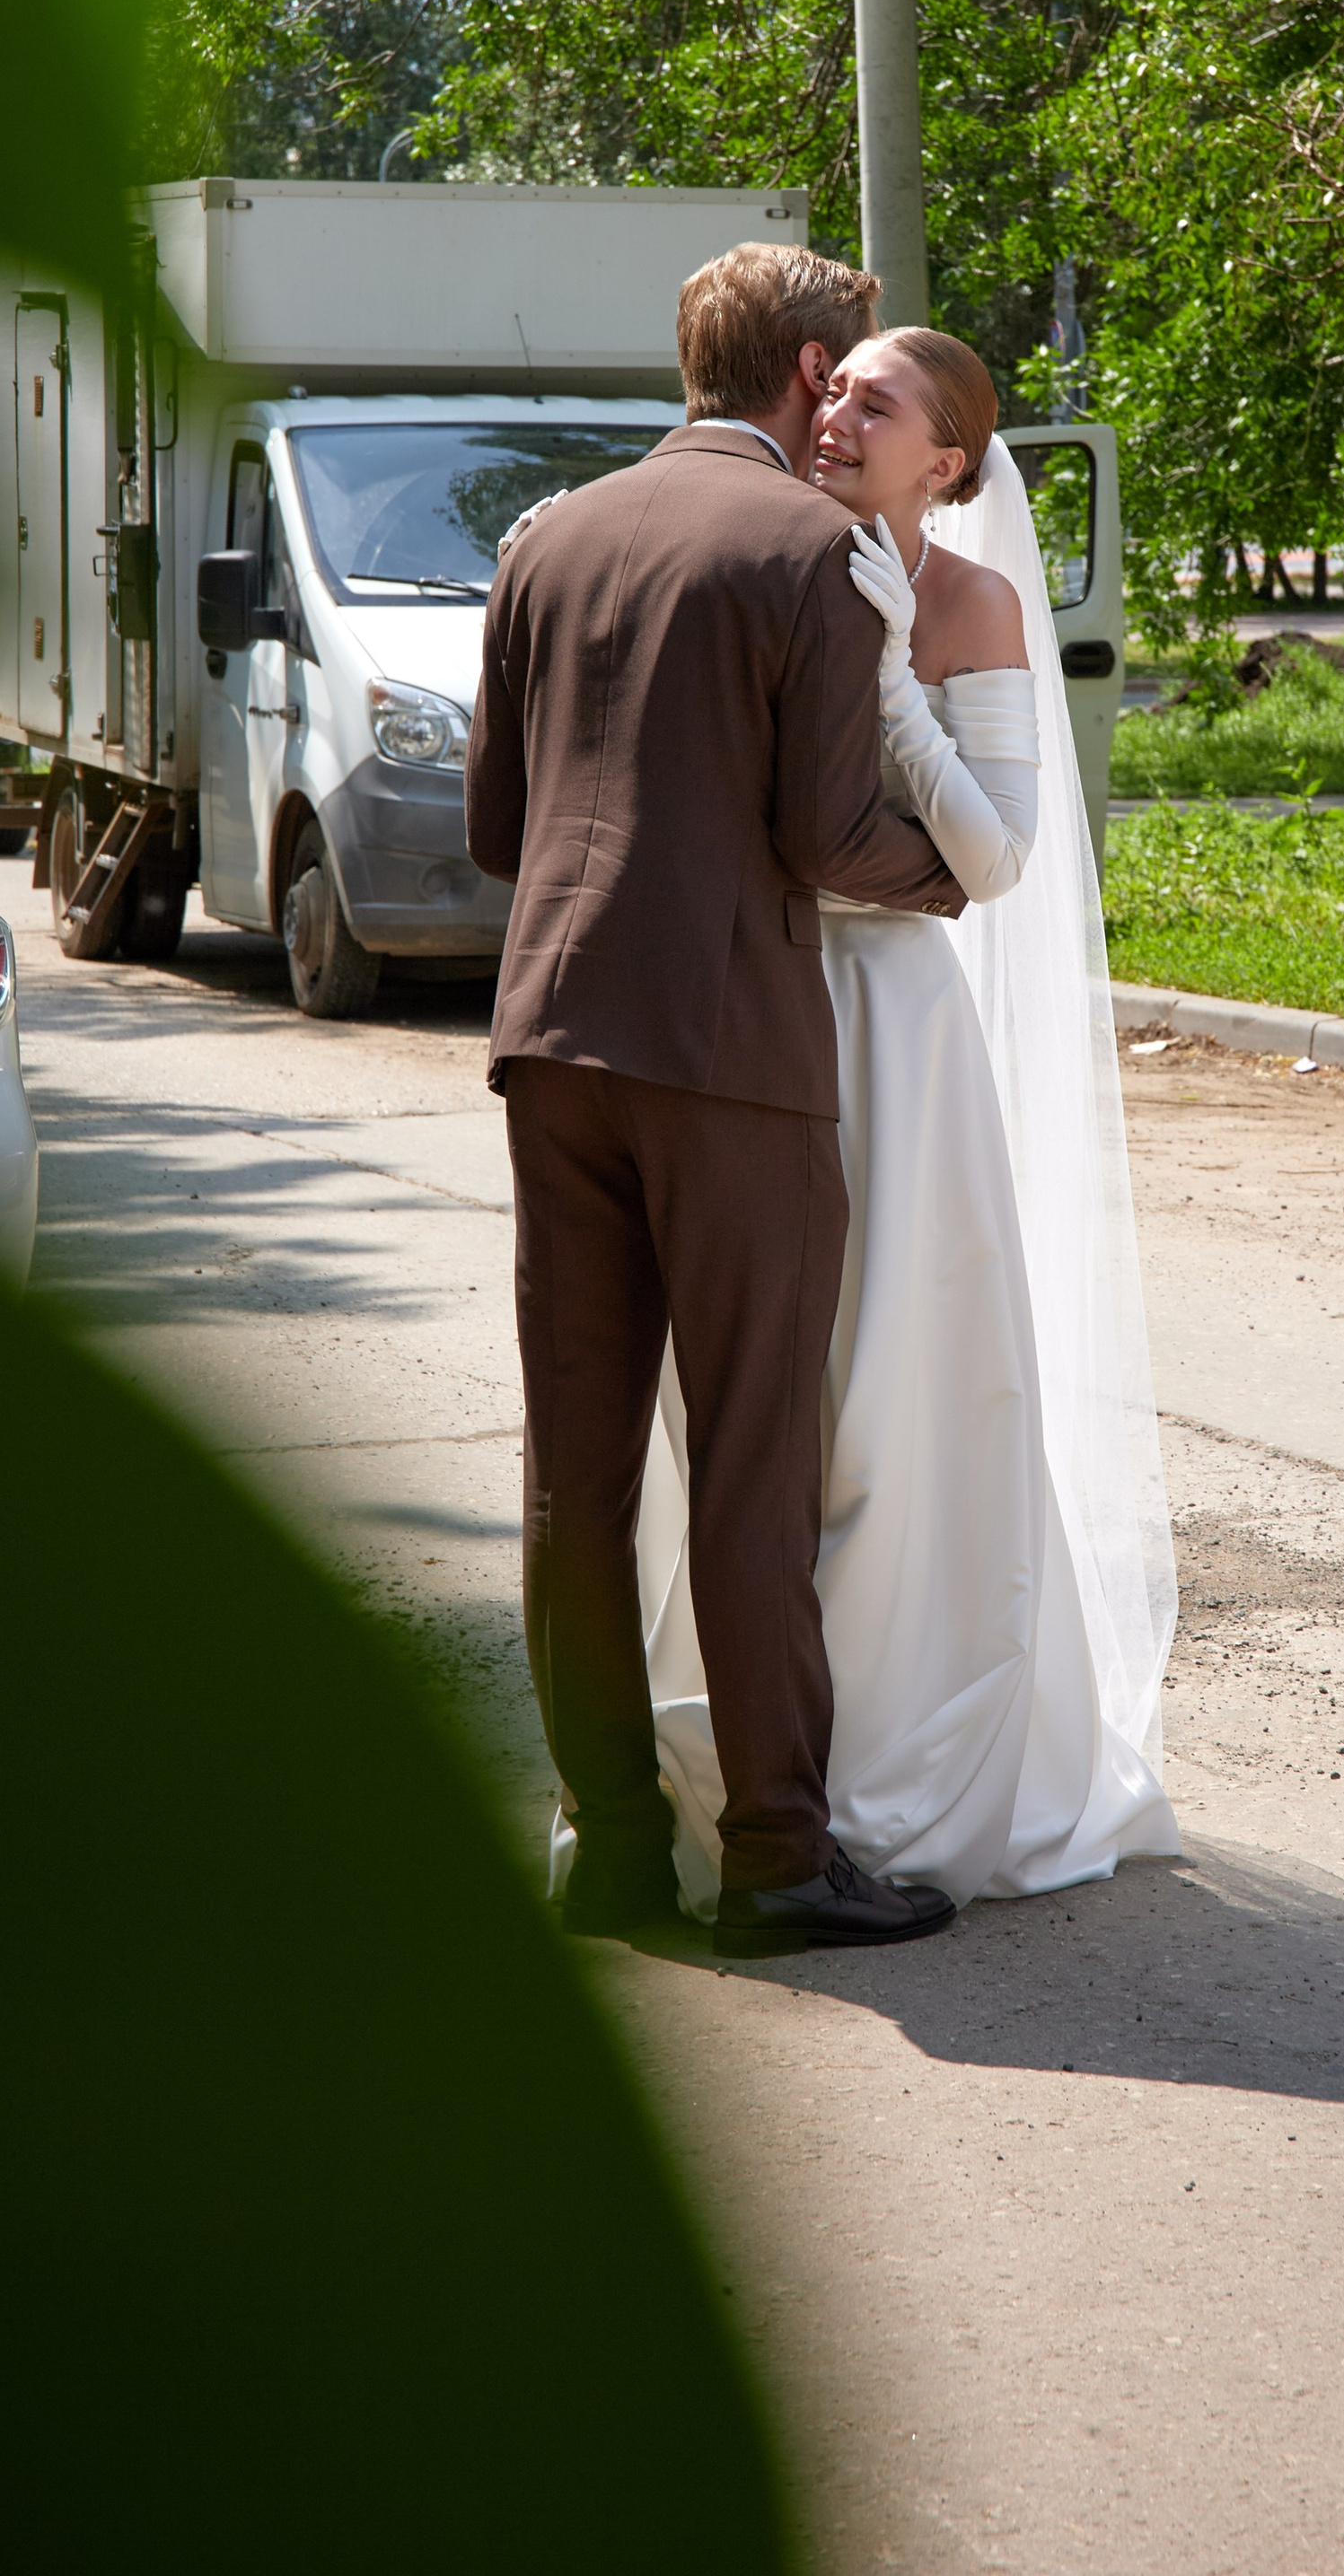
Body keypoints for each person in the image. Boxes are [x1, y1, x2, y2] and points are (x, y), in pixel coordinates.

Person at [466, 244, 969, 1960]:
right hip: (731, 1058)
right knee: (756, 1459)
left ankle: (609, 1846)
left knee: (574, 1471)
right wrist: (958, 876)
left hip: (551, 1043)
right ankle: (776, 1856)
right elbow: (833, 837)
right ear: (811, 367)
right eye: (840, 379)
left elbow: (494, 830)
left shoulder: (548, 538)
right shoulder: (810, 550)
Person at [636, 329, 1180, 1911]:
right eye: (832, 388)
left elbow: (997, 857)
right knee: (748, 1404)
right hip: (747, 1010)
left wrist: (890, 674)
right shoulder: (759, 556)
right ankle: (749, 1767)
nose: (836, 411)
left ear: (947, 462)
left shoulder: (970, 606)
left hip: (892, 1025)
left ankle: (886, 1772)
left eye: (879, 401)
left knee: (898, 1395)